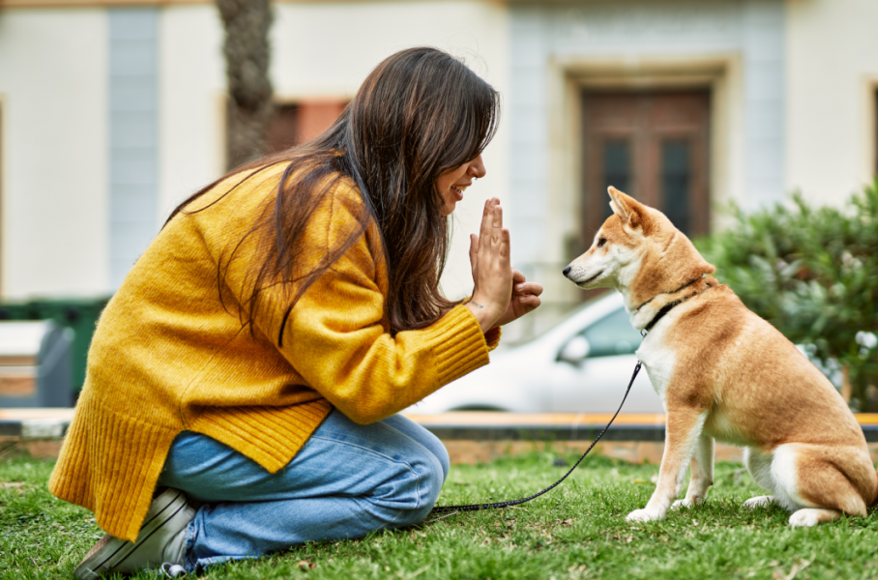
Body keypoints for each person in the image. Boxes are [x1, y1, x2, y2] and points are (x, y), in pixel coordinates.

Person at [49, 47, 543, 578]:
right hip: (172, 426)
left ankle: (183, 514)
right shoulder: (324, 207)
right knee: (411, 476)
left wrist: (482, 315)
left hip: (204, 402)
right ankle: (183, 537)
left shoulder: (334, 192)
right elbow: (366, 383)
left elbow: (351, 345)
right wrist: (478, 311)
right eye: (469, 146)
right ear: (425, 135)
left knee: (429, 457)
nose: (480, 167)